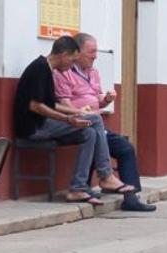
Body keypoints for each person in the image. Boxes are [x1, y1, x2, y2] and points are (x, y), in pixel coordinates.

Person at [13, 36, 132, 205]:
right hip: (34, 127)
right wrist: (69, 119)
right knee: (96, 120)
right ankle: (106, 175)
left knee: (89, 132)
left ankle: (77, 188)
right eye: (72, 60)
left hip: (46, 124)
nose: (72, 65)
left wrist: (76, 112)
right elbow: (36, 106)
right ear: (62, 54)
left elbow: (51, 104)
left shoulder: (49, 69)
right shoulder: (39, 68)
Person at [53, 32, 156, 212]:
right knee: (101, 136)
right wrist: (79, 112)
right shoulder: (64, 73)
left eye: (96, 52)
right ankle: (102, 179)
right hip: (77, 123)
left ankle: (130, 197)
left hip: (96, 121)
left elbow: (96, 98)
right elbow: (64, 104)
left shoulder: (94, 72)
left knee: (125, 147)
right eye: (91, 52)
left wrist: (106, 99)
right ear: (77, 53)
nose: (95, 56)